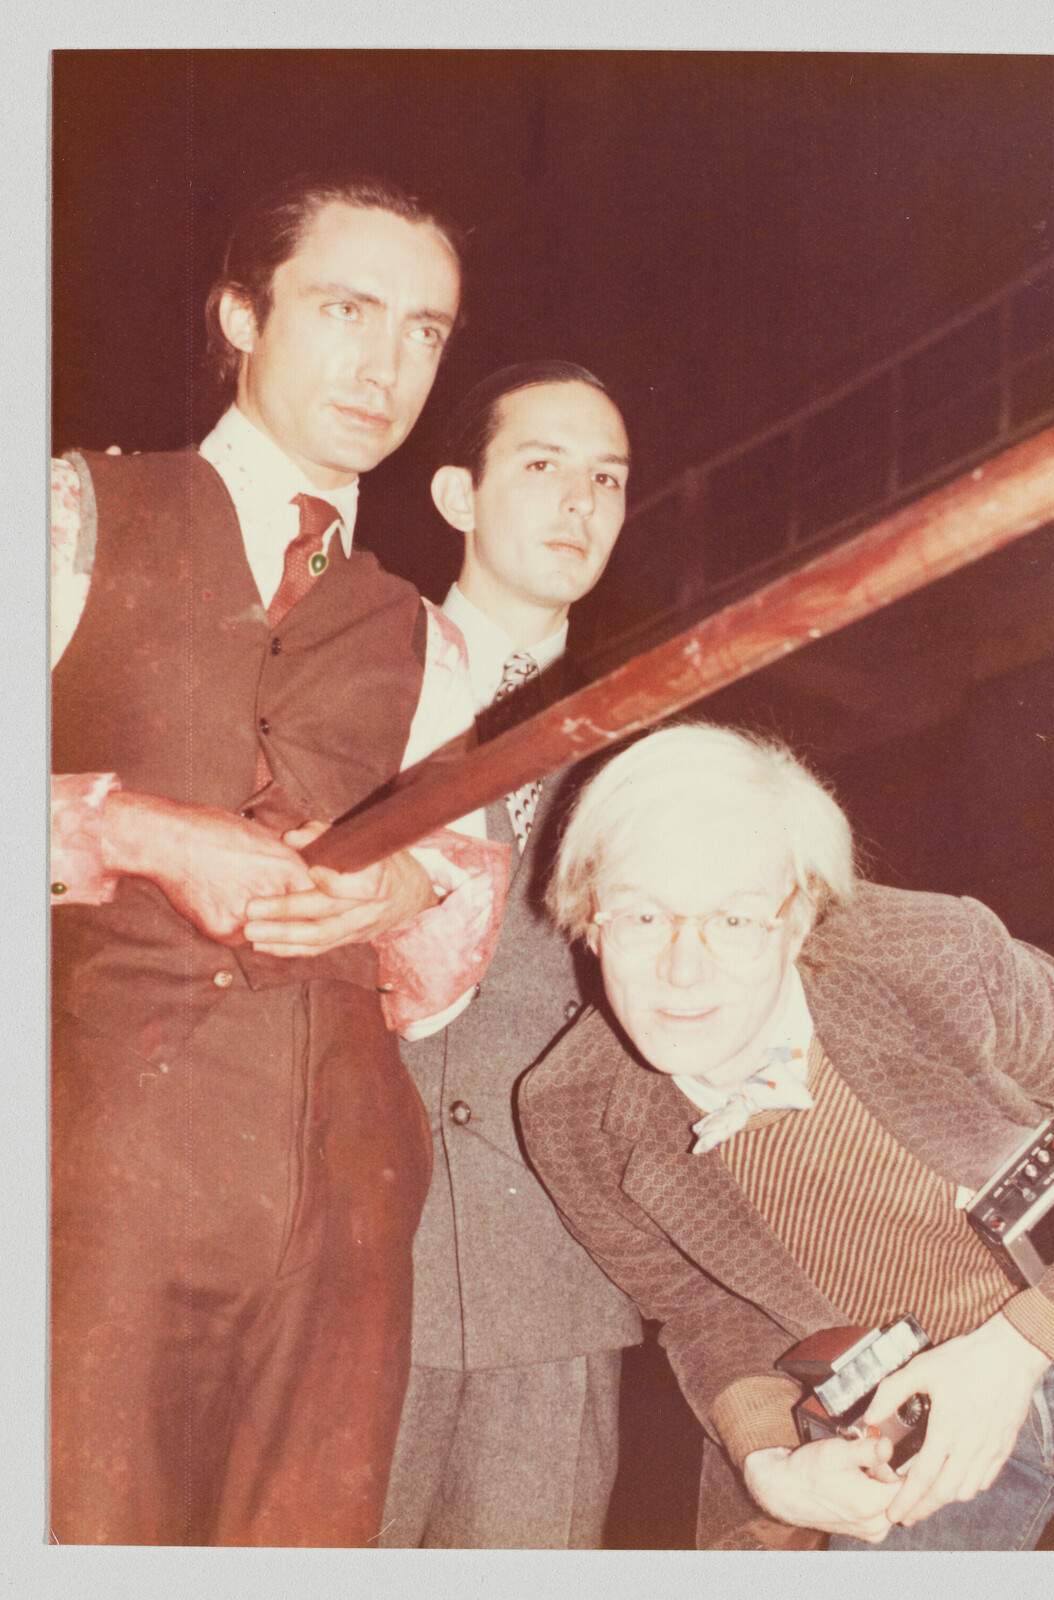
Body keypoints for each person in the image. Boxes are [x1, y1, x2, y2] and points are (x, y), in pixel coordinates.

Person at [49, 174, 510, 1546]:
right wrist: (123, 825)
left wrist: (400, 888)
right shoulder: (70, 515)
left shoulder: (428, 635)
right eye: (345, 308)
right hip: (95, 1178)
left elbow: (456, 930)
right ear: (242, 312)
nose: (385, 364)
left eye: (423, 330)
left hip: (346, 1206)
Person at [518, 723, 1054, 1552]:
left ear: (797, 919)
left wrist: (1017, 1348)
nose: (682, 972)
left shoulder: (938, 959)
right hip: (898, 1421)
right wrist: (767, 1458)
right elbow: (699, 1302)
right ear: (588, 919)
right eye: (644, 916)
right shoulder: (572, 1112)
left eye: (732, 920)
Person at [379, 363, 642, 1548]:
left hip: (557, 1278)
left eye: (607, 479)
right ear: (455, 493)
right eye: (541, 465)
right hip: (359, 1265)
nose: (577, 502)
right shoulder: (353, 679)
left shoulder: (659, 727)